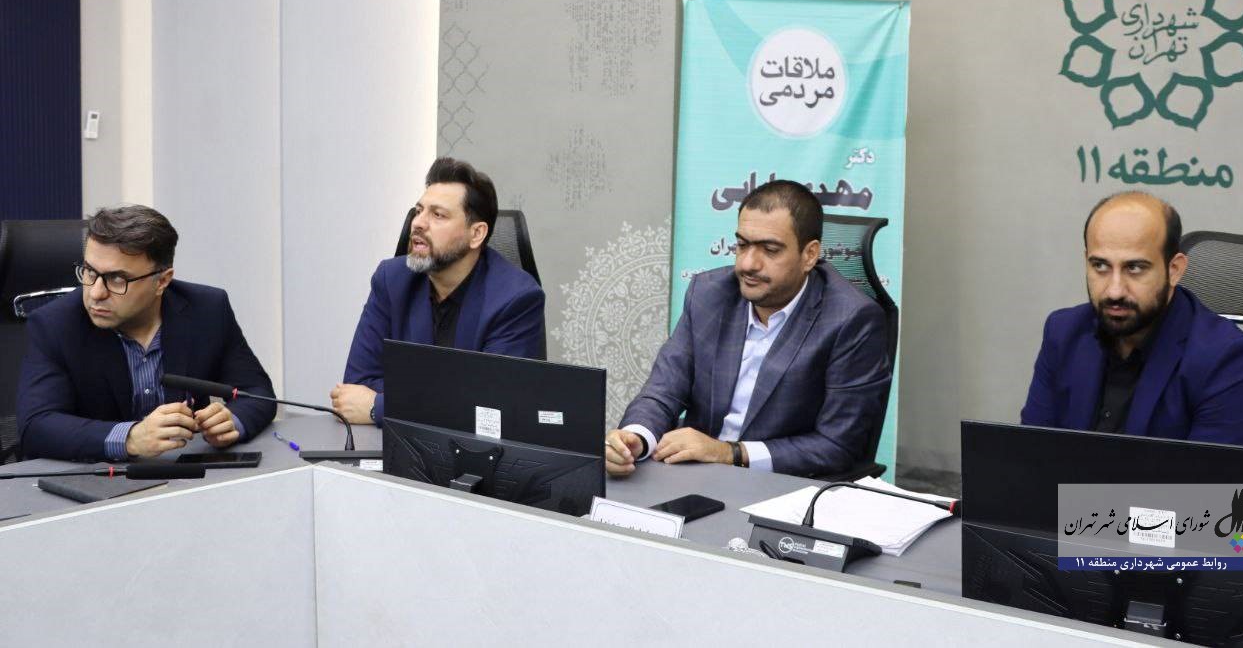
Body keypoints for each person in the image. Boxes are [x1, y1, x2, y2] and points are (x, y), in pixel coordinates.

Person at [606, 180, 891, 478]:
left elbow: (836, 445)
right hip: (694, 474)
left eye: (770, 250)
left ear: (809, 255)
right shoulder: (709, 294)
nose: (747, 264)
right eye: (742, 245)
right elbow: (663, 390)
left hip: (780, 484)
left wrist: (728, 453)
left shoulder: (852, 319)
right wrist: (636, 438)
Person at [17, 205, 277, 462]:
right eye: (90, 271)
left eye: (117, 279)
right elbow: (37, 426)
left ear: (162, 281)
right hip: (93, 476)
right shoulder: (54, 325)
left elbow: (257, 392)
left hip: (188, 476)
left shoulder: (207, 310)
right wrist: (130, 438)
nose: (96, 292)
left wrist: (232, 420)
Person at [1021, 191, 1243, 446]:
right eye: (1100, 266)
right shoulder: (1063, 333)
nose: (1114, 291)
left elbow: (1212, 476)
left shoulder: (1233, 364)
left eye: (1134, 268)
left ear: (1174, 270)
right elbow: (1031, 454)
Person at [333, 157, 545, 426]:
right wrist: (449, 400)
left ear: (476, 234)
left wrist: (380, 405)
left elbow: (493, 408)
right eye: (418, 211)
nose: (418, 223)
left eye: (438, 215)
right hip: (389, 444)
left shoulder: (516, 298)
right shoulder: (391, 280)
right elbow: (356, 385)